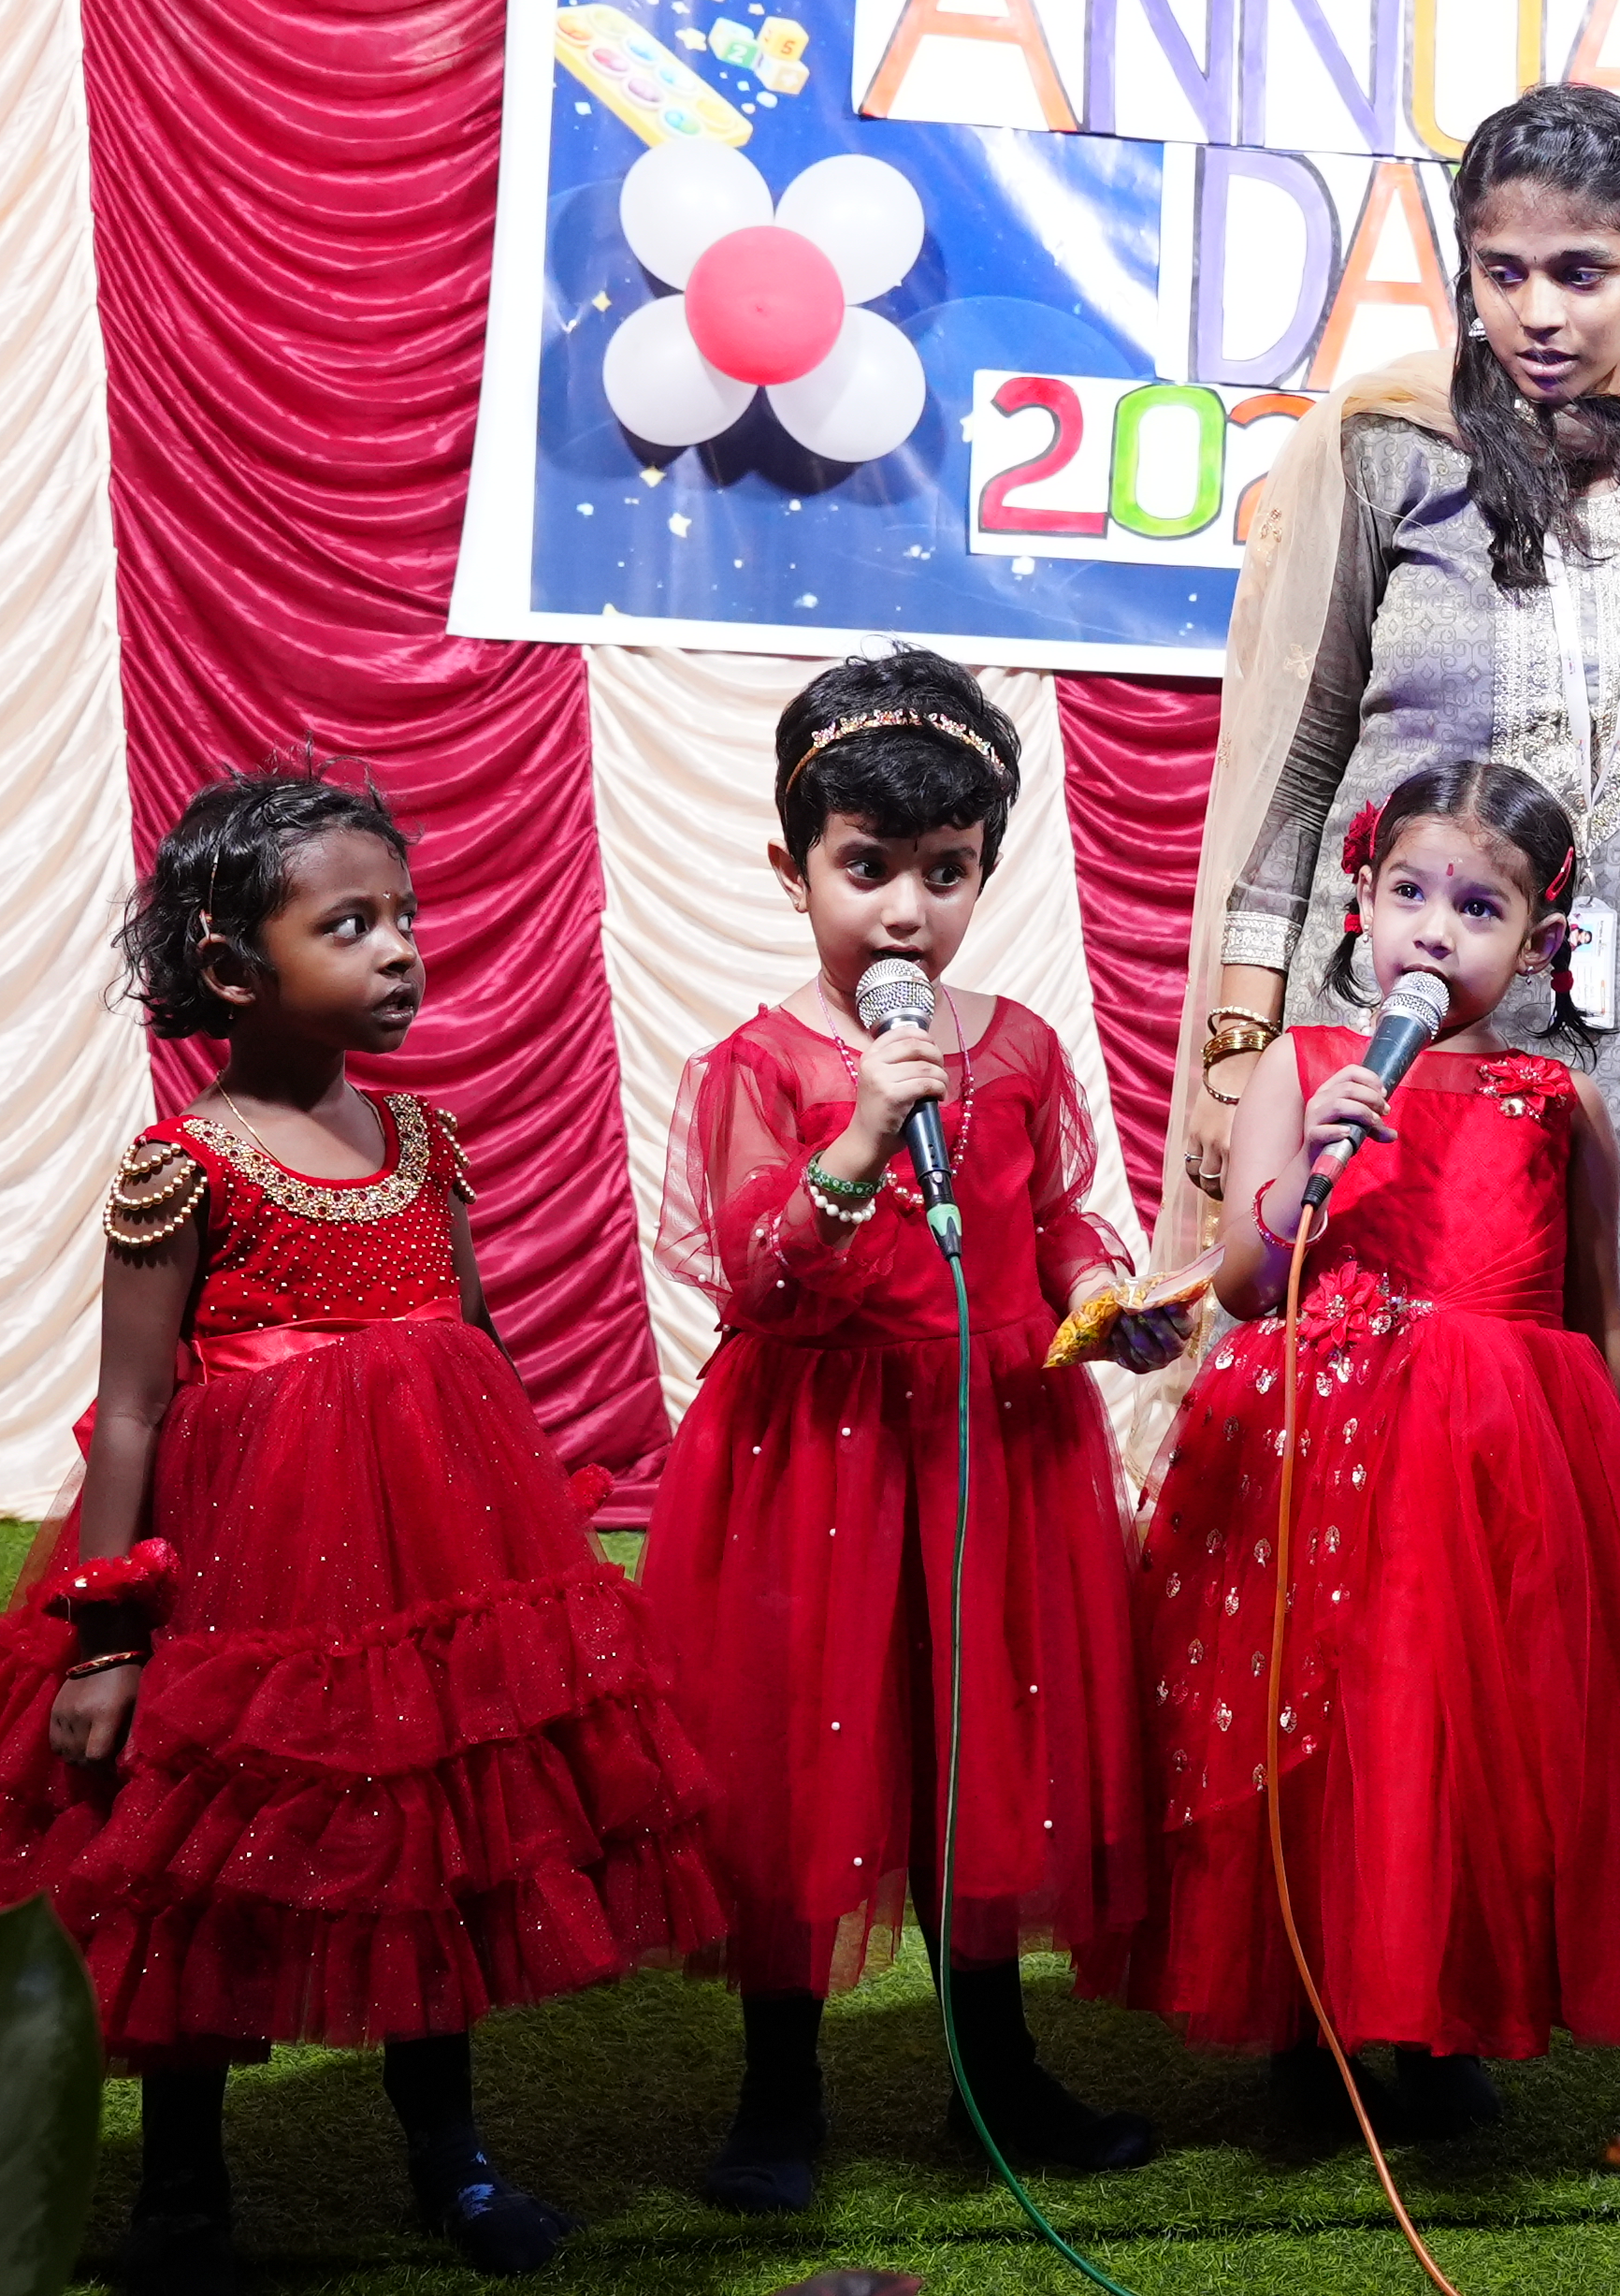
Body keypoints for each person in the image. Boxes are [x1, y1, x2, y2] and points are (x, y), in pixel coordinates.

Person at [0, 771, 723, 2296]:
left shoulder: (424, 1141)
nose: (400, 948)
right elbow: (131, 1409)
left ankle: (453, 2159)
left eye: (402, 916)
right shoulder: (186, 1164)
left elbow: (471, 1343)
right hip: (241, 1573)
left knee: (443, 1841)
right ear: (230, 969)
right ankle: (185, 2184)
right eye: (350, 925)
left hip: (429, 1564)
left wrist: (522, 1551)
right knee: (199, 1857)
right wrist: (105, 1638)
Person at [1171, 80, 1620, 1525]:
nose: (1539, 312)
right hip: (1384, 1054)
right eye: (1504, 271)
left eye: (1582, 273)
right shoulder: (1390, 447)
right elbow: (1299, 760)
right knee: (1363, 1445)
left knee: (1602, 1454)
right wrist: (1238, 1051)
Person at [644, 653, 1185, 2208]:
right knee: (801, 1761)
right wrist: (863, 1133)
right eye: (867, 868)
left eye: (945, 874)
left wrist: (1102, 1296)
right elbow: (756, 1278)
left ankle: (993, 2069)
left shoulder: (1013, 1046)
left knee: (983, 1747)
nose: (904, 912)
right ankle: (778, 2084)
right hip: (814, 1450)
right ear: (792, 866)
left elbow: (1056, 1218)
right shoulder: (758, 1065)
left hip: (995, 1440)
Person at [1107, 759, 1620, 2133]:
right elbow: (1246, 1281)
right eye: (1410, 895)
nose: (1436, 932)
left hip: (1497, 1468)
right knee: (1316, 1725)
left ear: (1541, 940)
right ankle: (1302, 2017)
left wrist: (1609, 1505)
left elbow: (1601, 1316)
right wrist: (1305, 1165)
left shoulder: (1560, 1101)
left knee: (1464, 1738)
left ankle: (1449, 2019)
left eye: (1480, 907)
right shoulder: (1300, 1067)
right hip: (1318, 1450)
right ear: (1362, 904)